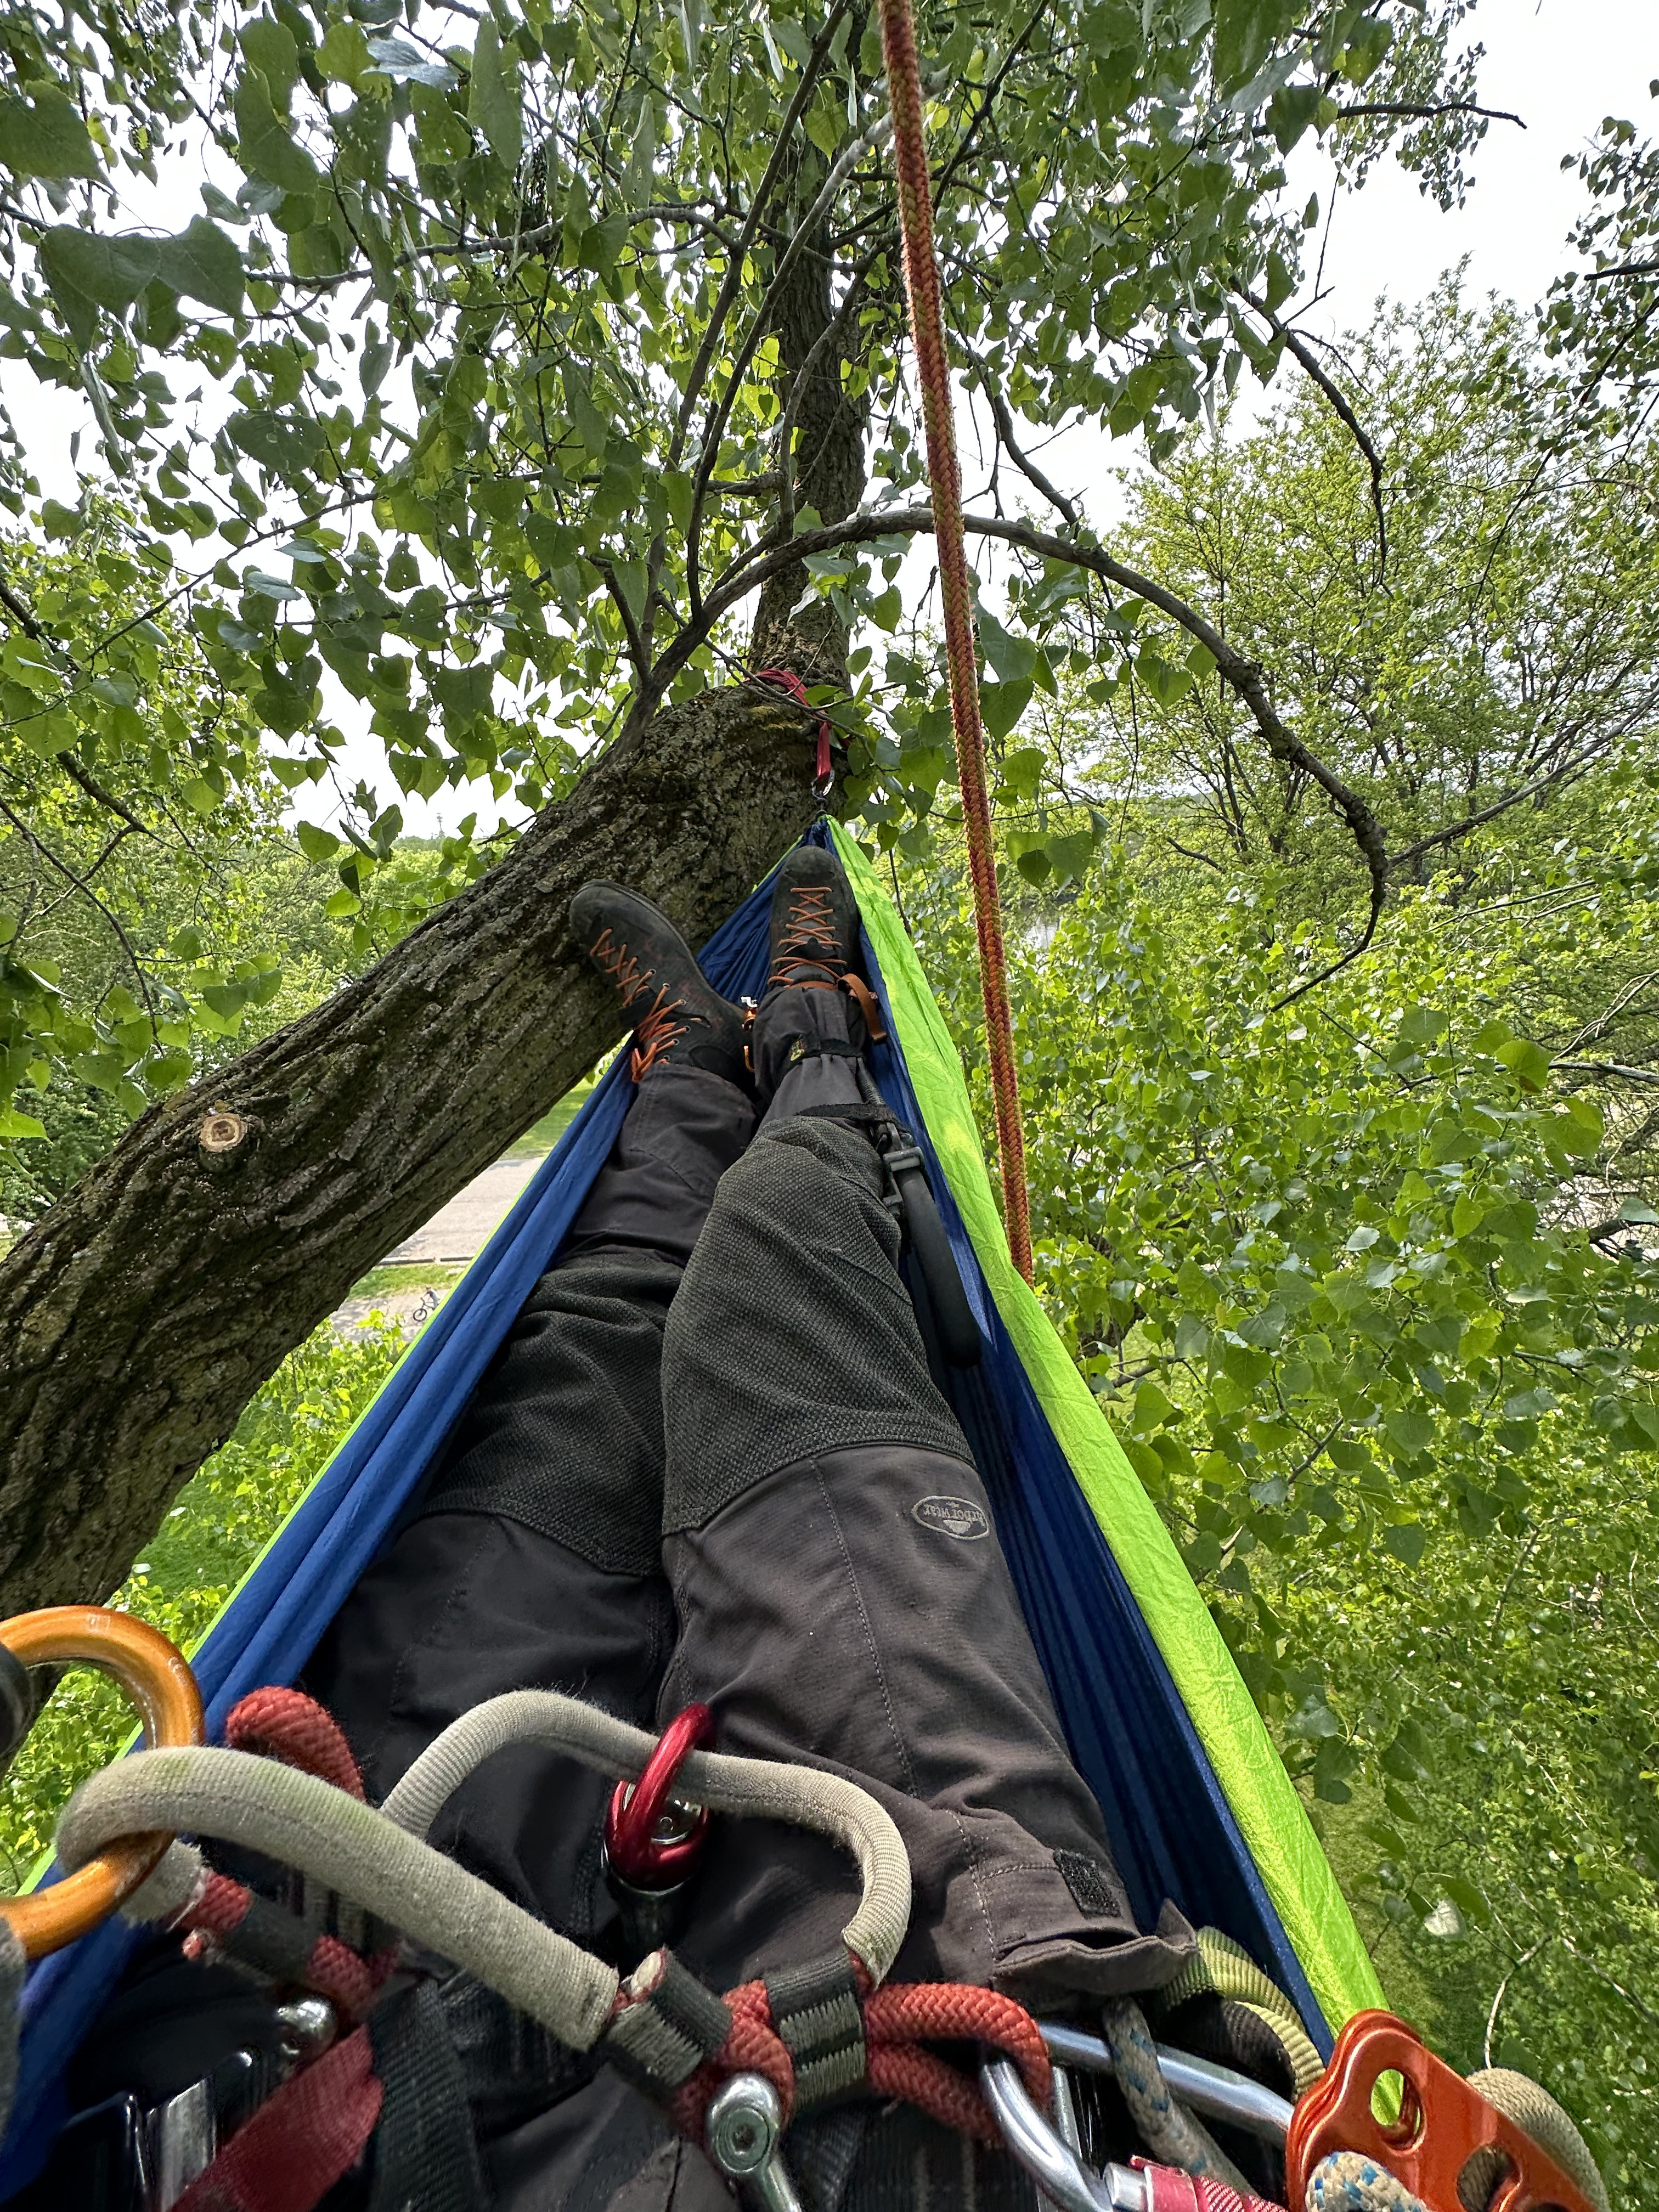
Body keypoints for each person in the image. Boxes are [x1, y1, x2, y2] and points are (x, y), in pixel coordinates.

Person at [38, 847, 1199, 2211]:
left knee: (588, 1361)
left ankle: (702, 1074)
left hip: (302, 2071)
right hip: (919, 2056)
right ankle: (818, 1050)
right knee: (777, 1269)